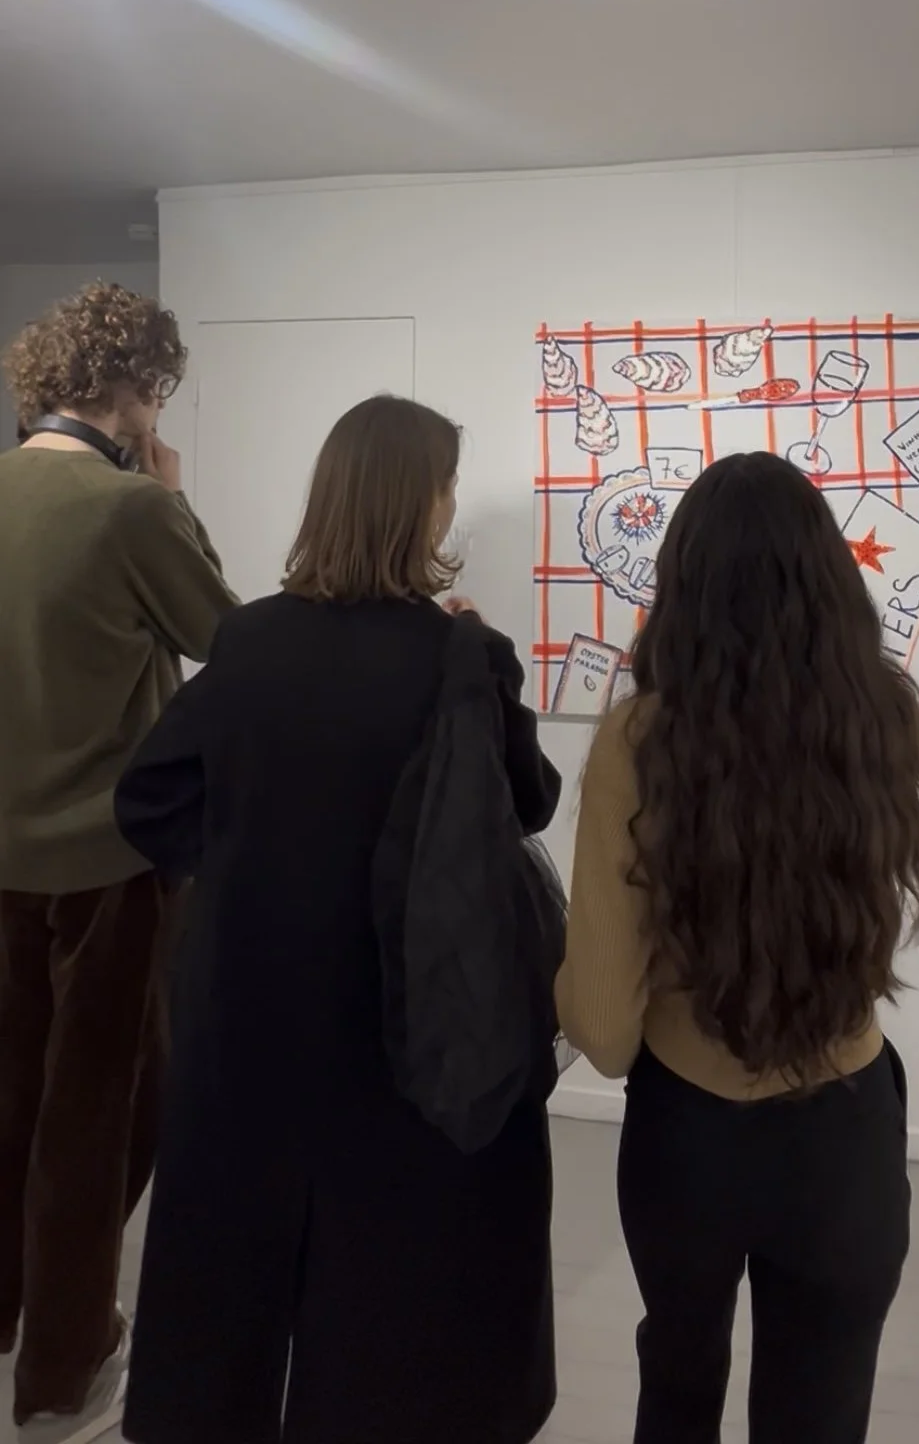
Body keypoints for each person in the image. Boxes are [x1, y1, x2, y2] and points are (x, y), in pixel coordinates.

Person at [114, 394, 562, 1444]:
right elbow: (528, 801)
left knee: (236, 1243)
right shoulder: (459, 655)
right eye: (447, 485)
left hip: (254, 999)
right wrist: (488, 669)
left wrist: (240, 864)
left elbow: (149, 801)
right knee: (398, 1256)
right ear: (421, 503)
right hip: (404, 1001)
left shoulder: (251, 639)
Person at [557, 452, 919, 1444]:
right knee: (820, 1411)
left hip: (689, 1132)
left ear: (683, 582)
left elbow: (603, 1031)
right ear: (828, 577)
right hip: (846, 1132)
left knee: (678, 1387)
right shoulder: (880, 717)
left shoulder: (640, 739)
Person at [0, 280, 237, 1437]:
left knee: (11, 1096)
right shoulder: (132, 505)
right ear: (139, 384)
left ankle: (11, 1311)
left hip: (2, 851)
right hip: (110, 855)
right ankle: (64, 1362)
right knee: (102, 1113)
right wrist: (176, 498)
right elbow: (230, 641)